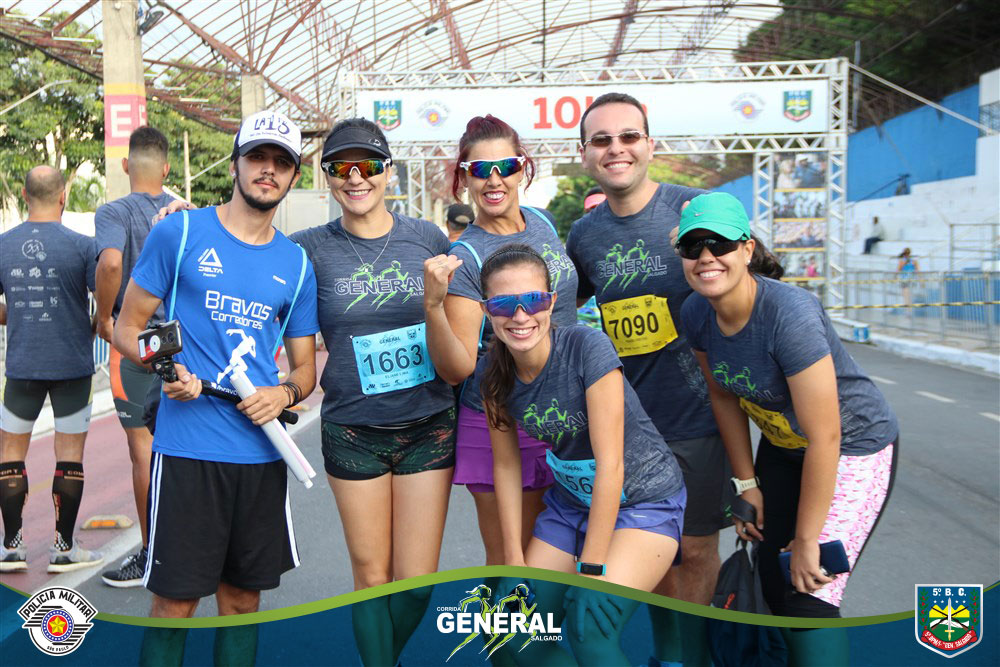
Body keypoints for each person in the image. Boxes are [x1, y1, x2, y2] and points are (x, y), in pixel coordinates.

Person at [113, 110, 319, 665]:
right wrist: (167, 370)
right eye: (257, 157)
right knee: (174, 606)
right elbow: (126, 329)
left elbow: (304, 369)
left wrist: (284, 395)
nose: (268, 170)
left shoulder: (296, 264)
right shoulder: (179, 232)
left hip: (260, 455)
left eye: (281, 162)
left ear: (293, 176)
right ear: (235, 165)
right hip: (188, 452)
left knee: (242, 603)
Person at [676, 192, 899, 663]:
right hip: (783, 448)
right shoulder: (696, 312)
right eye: (693, 247)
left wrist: (807, 538)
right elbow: (723, 395)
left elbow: (826, 436)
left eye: (720, 244)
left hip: (853, 447)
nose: (706, 257)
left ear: (746, 250)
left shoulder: (787, 314)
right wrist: (747, 484)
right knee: (773, 581)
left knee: (808, 591)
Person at [564, 91, 727, 666]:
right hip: (628, 426)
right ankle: (669, 654)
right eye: (602, 140)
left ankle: (692, 656)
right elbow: (560, 316)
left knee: (696, 549)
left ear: (650, 145)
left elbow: (755, 285)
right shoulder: (584, 236)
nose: (617, 149)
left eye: (629, 136)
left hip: (700, 415)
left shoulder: (694, 211)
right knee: (657, 549)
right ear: (585, 154)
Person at [289, 118, 455, 667]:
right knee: (371, 577)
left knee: (416, 584)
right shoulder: (307, 249)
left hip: (428, 425)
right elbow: (247, 253)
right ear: (328, 177)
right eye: (341, 167)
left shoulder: (427, 238)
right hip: (352, 432)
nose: (355, 177)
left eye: (368, 165)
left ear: (388, 172)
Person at [478, 244, 685, 665]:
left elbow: (611, 465)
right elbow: (506, 464)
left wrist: (591, 569)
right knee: (511, 630)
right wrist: (514, 561)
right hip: (571, 505)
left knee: (590, 629)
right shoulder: (492, 372)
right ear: (486, 310)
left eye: (533, 299)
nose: (520, 315)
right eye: (503, 304)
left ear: (552, 301)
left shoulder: (586, 347)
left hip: (643, 501)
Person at [423, 115, 579, 567]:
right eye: (479, 169)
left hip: (564, 411)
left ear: (522, 168)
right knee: (517, 562)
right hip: (504, 420)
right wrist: (432, 307)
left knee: (563, 554)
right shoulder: (466, 257)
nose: (494, 180)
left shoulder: (542, 222)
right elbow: (457, 368)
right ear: (463, 178)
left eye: (506, 166)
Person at [0, 166, 102, 573]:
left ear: (25, 195)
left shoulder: (3, 245)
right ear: (63, 196)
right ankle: (63, 548)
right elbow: (107, 289)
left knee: (10, 452)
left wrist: (14, 314)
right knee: (70, 453)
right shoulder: (83, 246)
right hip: (73, 365)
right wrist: (96, 321)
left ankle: (12, 546)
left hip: (22, 367)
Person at [94, 126, 178, 588]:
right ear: (166, 168)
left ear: (126, 165)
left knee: (142, 450)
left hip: (137, 343)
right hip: (183, 341)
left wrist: (106, 319)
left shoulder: (115, 212)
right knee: (190, 444)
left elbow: (110, 263)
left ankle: (152, 555)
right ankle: (193, 548)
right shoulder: (186, 213)